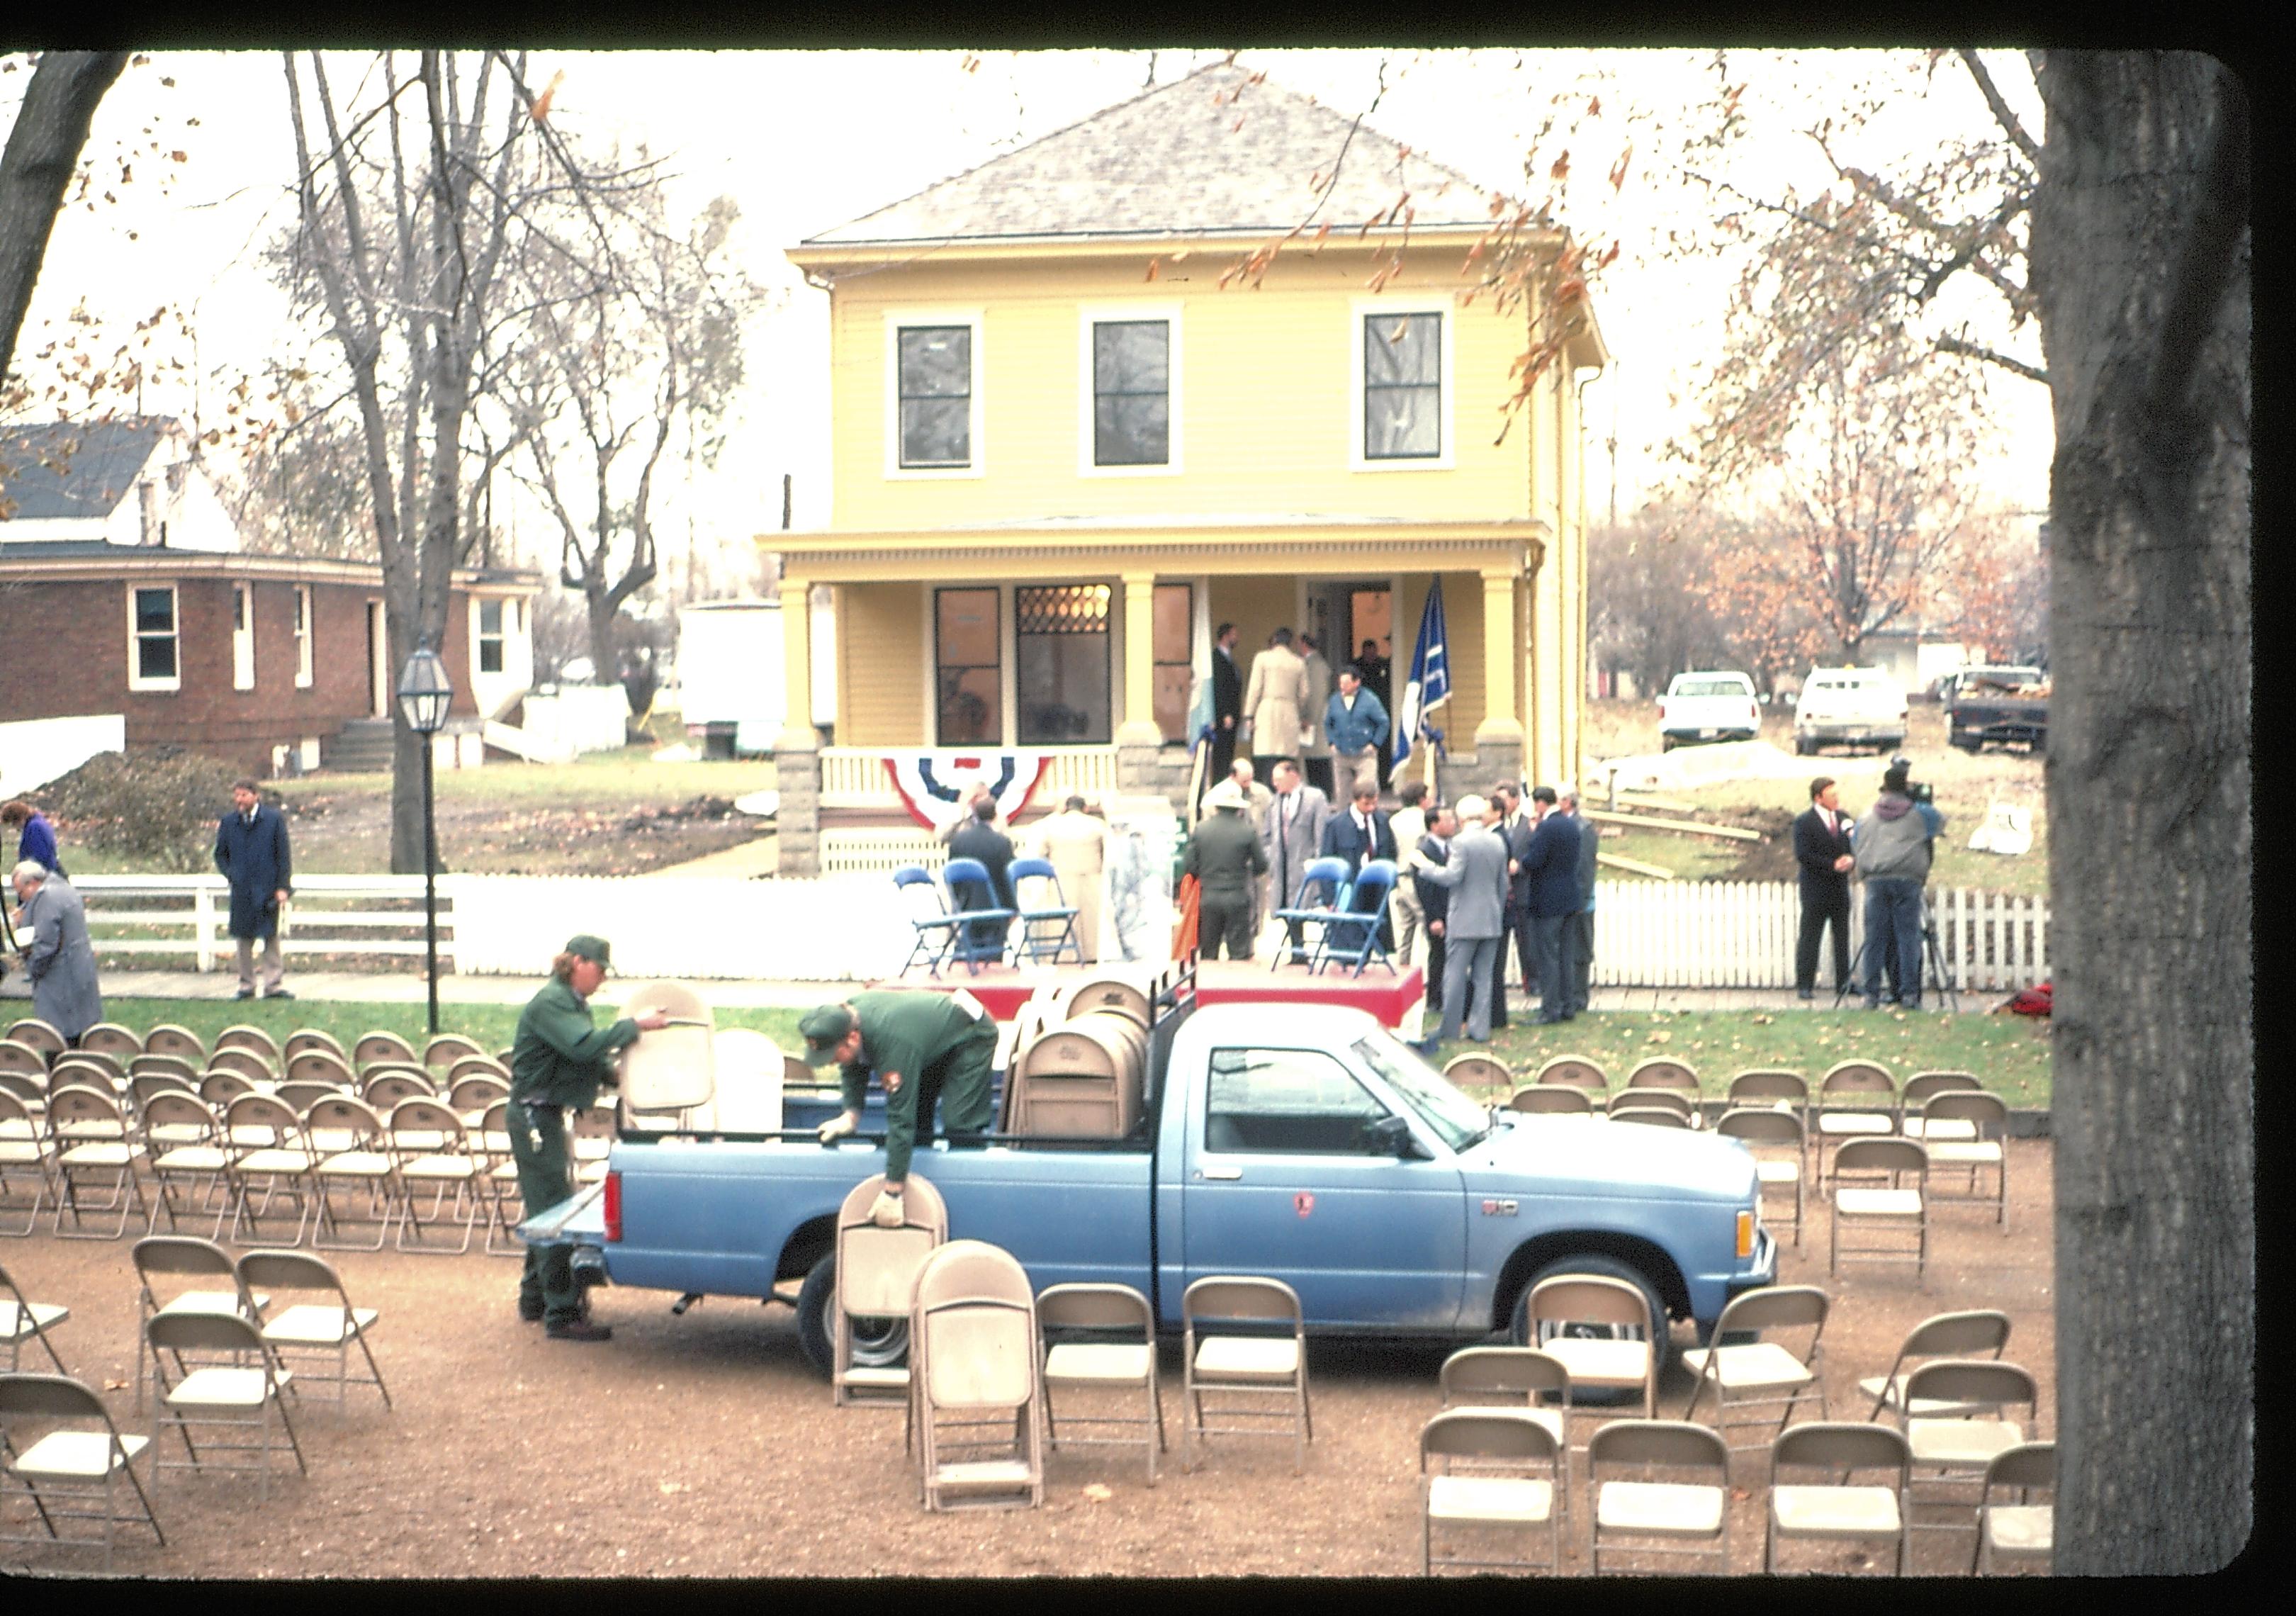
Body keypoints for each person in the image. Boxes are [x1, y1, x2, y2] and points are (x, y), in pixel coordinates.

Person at [508, 935, 670, 1340]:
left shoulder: (568, 1002)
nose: (600, 979)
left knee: (545, 1206)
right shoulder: (553, 1002)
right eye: (598, 970)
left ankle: (535, 1300)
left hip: (542, 1117)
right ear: (577, 963)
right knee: (553, 1211)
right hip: (534, 1116)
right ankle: (562, 1314)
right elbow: (582, 1048)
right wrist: (635, 1026)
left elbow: (590, 1061)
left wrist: (632, 1079)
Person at [804, 989, 999, 1224]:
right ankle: (923, 1176)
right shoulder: (849, 1019)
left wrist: (892, 1191)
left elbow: (900, 1118)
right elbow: (852, 1067)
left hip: (971, 1034)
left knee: (959, 1123)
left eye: (833, 1056)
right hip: (926, 1037)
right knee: (919, 1121)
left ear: (853, 1038)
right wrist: (850, 1116)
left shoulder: (892, 1044)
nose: (831, 1063)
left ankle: (971, 1197)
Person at [1414, 793, 1510, 1046]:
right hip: (1490, 919)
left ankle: (1451, 1027)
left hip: (1463, 920)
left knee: (1454, 975)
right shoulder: (1497, 842)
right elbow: (1503, 884)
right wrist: (1496, 912)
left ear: (1462, 817)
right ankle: (1480, 1029)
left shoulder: (1460, 843)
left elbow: (1452, 877)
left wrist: (1425, 867)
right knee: (1484, 977)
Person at [1853, 762, 1947, 1011]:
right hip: (1907, 880)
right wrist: (1920, 800)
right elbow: (1940, 822)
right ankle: (1909, 995)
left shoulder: (1865, 816)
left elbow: (1856, 843)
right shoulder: (1920, 813)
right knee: (1908, 938)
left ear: (1883, 789)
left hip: (1875, 880)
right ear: (1905, 787)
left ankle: (1870, 994)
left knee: (1875, 939)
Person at [213, 778, 293, 1000]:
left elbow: (283, 855)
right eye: (236, 795)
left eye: (244, 795)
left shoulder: (273, 820)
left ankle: (273, 986)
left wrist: (282, 887)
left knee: (271, 940)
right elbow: (220, 854)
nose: (239, 800)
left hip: (268, 889)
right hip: (242, 890)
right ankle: (246, 985)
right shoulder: (229, 823)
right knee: (243, 941)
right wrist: (232, 874)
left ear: (255, 795)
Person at [10, 860, 101, 1043]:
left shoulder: (46, 899)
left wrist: (32, 968)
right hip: (81, 973)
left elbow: (45, 946)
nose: (22, 899)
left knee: (56, 1042)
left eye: (21, 892)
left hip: (60, 982)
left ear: (33, 883)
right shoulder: (65, 889)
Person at [1516, 785, 1582, 1023]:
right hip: (1569, 896)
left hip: (1548, 899)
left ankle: (1550, 1008)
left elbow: (1534, 860)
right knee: (1565, 954)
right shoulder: (1570, 824)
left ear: (1540, 803)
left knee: (1548, 957)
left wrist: (1521, 863)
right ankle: (1568, 1005)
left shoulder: (1546, 827)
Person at [1184, 779, 1268, 960]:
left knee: (1209, 950)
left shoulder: (1201, 830)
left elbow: (1189, 866)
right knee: (1239, 951)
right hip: (1238, 894)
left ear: (1216, 807)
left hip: (1209, 896)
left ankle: (1208, 986)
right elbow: (1262, 865)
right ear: (1239, 809)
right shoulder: (1247, 831)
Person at [1258, 757, 1331, 965]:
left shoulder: (1315, 798)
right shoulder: (1275, 801)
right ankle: (1297, 950)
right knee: (1285, 908)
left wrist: (1318, 862)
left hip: (1304, 863)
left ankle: (1302, 951)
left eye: (1279, 779)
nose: (1275, 784)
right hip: (1281, 865)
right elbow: (1267, 834)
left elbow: (1321, 834)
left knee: (1303, 906)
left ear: (1293, 776)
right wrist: (1270, 858)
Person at [1792, 775, 1857, 1001]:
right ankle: (1805, 984)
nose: (1837, 799)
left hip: (1839, 887)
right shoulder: (1804, 822)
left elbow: (1854, 843)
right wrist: (1832, 865)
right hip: (1815, 889)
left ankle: (1844, 982)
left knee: (1842, 936)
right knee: (1811, 936)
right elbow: (1803, 854)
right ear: (1818, 798)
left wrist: (1851, 860)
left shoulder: (1843, 819)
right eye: (1832, 795)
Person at [1026, 794, 1110, 963]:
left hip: (1060, 880)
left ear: (1065, 808)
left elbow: (1038, 853)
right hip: (1092, 878)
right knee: (1091, 922)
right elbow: (1110, 853)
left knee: (1062, 924)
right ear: (1085, 808)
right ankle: (1091, 955)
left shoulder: (1050, 826)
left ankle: (1063, 957)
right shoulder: (1098, 826)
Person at [946, 793, 1018, 956]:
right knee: (994, 951)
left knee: (970, 946)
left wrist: (958, 902)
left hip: (966, 905)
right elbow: (1007, 880)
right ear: (995, 816)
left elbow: (952, 877)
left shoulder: (958, 840)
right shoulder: (1002, 843)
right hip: (996, 908)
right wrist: (1013, 908)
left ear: (975, 815)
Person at [1242, 627, 1311, 783]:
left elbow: (1255, 688)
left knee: (1265, 756)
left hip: (1266, 709)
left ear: (1274, 640)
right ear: (1290, 643)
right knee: (1286, 758)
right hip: (1289, 711)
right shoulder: (1298, 662)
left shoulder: (1262, 658)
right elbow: (1305, 693)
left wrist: (1249, 715)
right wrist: (1297, 708)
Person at [1412, 802, 1457, 1016]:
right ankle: (1435, 999)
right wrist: (1434, 918)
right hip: (1438, 912)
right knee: (1438, 955)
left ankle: (1448, 996)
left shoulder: (1453, 847)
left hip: (1453, 911)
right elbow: (1425, 889)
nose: (1452, 824)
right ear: (1434, 825)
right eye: (1447, 820)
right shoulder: (1424, 851)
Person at [1322, 668, 1390, 803]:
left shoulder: (1370, 700)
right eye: (1341, 683)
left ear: (1357, 682)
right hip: (1341, 753)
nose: (1342, 687)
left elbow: (1383, 722)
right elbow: (1327, 723)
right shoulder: (1335, 700)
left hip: (1364, 753)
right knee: (1342, 794)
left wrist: (1375, 744)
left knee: (1367, 791)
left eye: (1346, 683)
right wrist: (1331, 742)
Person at [1558, 784, 1598, 1016]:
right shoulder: (1571, 826)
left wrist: (1581, 900)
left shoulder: (1583, 829)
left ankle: (1579, 996)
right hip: (1571, 898)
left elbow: (1584, 867)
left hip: (1581, 901)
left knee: (1581, 949)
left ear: (1567, 802)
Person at [1386, 780, 1430, 972]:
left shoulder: (1394, 820)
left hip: (1399, 875)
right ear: (1421, 799)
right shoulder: (1425, 819)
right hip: (1418, 877)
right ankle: (1432, 971)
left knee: (1405, 929)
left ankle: (1402, 967)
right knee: (1428, 924)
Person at [1298, 633, 1335, 798]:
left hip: (1317, 718)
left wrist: (1309, 719)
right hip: (1312, 718)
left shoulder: (1317, 665)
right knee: (1311, 758)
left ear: (1305, 644)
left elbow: (1317, 694)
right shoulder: (1308, 663)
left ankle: (1325, 794)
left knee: (1319, 757)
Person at [1210, 622, 1244, 782]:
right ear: (1225, 636)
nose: (1237, 638)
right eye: (1234, 635)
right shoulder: (1217, 659)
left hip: (1233, 715)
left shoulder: (1229, 659)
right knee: (1222, 755)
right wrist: (1225, 713)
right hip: (1224, 717)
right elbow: (1220, 688)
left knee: (1228, 753)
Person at [1, 801, 63, 877]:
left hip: (46, 876)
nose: (15, 827)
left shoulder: (35, 827)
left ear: (19, 818)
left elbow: (40, 856)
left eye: (13, 823)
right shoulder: (37, 822)